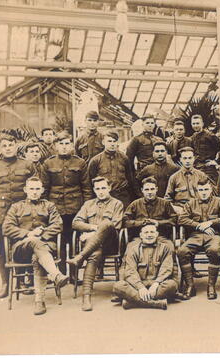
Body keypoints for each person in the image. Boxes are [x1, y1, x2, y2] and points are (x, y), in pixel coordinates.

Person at [2, 177, 69, 315]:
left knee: (36, 256)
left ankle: (39, 302)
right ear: (25, 190)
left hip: (44, 246)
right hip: (21, 248)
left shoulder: (49, 206)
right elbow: (6, 228)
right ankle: (55, 274)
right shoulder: (16, 207)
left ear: (42, 190)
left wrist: (42, 235)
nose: (34, 192)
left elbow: (58, 225)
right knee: (34, 242)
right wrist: (29, 234)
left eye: (37, 189)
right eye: (31, 189)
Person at [0, 134, 36, 298]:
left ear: (16, 146)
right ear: (0, 148)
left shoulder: (27, 165)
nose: (8, 148)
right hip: (0, 216)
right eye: (5, 146)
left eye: (11, 145)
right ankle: (5, 284)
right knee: (3, 250)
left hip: (23, 215)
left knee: (22, 247)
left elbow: (36, 188)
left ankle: (21, 281)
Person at [68, 177, 124, 311]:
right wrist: (92, 228)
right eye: (98, 189)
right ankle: (86, 297)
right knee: (94, 254)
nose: (101, 191)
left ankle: (80, 257)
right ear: (94, 190)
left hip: (110, 244)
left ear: (109, 188)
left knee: (107, 223)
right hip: (92, 246)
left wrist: (92, 234)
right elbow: (76, 222)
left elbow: (115, 225)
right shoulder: (88, 204)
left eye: (103, 188)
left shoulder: (117, 204)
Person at [40, 131, 92, 273]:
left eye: (67, 143)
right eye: (61, 144)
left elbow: (86, 187)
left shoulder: (80, 162)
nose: (64, 147)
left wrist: (85, 208)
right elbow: (44, 188)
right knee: (59, 241)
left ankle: (74, 274)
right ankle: (61, 272)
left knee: (75, 241)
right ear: (56, 146)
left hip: (76, 208)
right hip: (55, 209)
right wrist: (46, 209)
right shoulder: (48, 163)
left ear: (71, 145)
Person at [112, 223, 178, 310]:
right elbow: (130, 271)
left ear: (157, 234)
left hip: (157, 285)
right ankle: (155, 303)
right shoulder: (133, 250)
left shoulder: (165, 248)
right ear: (141, 235)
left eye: (152, 232)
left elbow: (166, 268)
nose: (149, 235)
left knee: (172, 285)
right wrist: (140, 288)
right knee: (118, 286)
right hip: (138, 285)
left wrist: (156, 284)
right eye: (146, 232)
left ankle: (132, 302)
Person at [177, 180, 220, 300]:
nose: (203, 193)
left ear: (211, 190)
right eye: (200, 190)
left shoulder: (219, 202)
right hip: (195, 236)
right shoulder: (190, 203)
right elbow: (182, 219)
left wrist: (210, 222)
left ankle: (211, 285)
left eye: (206, 190)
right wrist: (198, 225)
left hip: (213, 236)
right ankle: (190, 285)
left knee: (214, 250)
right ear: (197, 191)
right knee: (182, 251)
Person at [87, 130, 136, 208]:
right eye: (109, 141)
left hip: (122, 196)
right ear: (103, 142)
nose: (112, 144)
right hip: (104, 197)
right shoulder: (95, 160)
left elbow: (131, 179)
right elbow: (89, 183)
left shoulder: (124, 158)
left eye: (114, 141)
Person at [125, 177, 178, 241]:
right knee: (131, 249)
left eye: (152, 189)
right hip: (140, 238)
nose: (149, 192)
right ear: (142, 190)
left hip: (160, 237)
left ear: (156, 189)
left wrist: (158, 223)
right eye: (147, 189)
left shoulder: (165, 203)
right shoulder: (135, 204)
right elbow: (125, 221)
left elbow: (174, 219)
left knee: (169, 248)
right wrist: (141, 223)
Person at [189, 114, 220, 182]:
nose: (195, 125)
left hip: (208, 169)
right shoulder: (193, 137)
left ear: (202, 124)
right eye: (193, 123)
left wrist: (216, 161)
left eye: (197, 123)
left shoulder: (210, 136)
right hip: (197, 168)